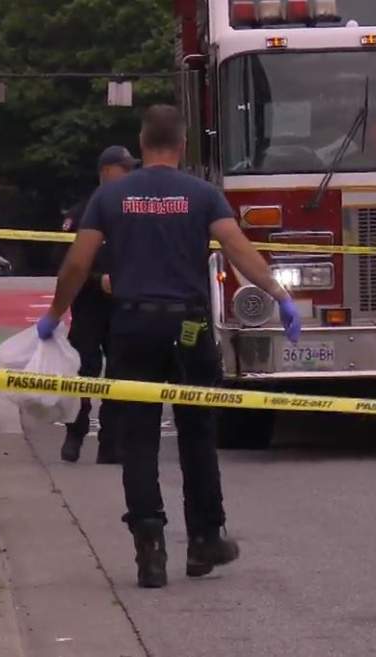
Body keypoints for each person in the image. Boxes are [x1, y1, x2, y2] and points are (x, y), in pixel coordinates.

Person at [35, 105, 302, 588]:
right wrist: (279, 295)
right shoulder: (202, 195)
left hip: (133, 328)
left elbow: (77, 263)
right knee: (197, 432)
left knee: (138, 436)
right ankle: (204, 541)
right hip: (189, 329)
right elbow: (238, 249)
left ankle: (149, 547)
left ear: (141, 144)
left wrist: (55, 315)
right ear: (181, 145)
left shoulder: (109, 196)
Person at [59, 146, 138, 465]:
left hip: (122, 306)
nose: (130, 174)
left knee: (119, 374)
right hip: (89, 307)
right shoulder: (81, 213)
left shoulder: (134, 211)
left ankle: (111, 443)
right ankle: (75, 434)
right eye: (125, 168)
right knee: (84, 372)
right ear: (106, 171)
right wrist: (96, 280)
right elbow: (63, 263)